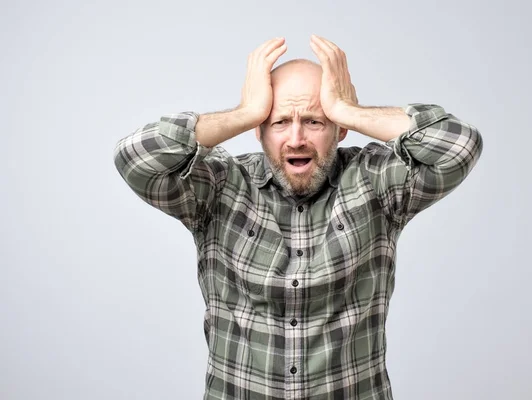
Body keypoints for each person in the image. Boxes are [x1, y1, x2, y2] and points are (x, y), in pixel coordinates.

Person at [113, 35, 483, 399]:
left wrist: (349, 110)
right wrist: (244, 112)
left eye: (314, 121)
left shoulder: (376, 181)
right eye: (278, 123)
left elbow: (459, 146)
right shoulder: (219, 185)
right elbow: (135, 158)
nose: (296, 139)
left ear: (340, 130)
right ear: (257, 131)